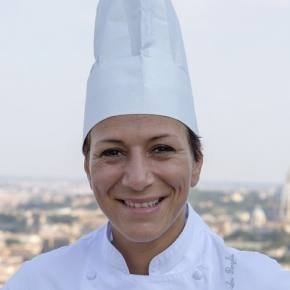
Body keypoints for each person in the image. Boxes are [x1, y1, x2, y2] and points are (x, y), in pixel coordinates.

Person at [3, 0, 290, 289]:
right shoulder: (37, 282)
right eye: (112, 152)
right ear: (88, 169)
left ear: (197, 163)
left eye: (161, 149)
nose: (138, 179)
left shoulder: (262, 283)